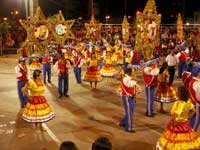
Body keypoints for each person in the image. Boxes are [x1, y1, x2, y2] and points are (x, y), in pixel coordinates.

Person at [156, 85, 200, 150]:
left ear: (180, 94)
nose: (176, 92)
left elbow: (174, 115)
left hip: (177, 124)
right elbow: (193, 110)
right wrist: (186, 117)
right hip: (185, 124)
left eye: (177, 91)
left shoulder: (178, 103)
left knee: (174, 140)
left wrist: (173, 123)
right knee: (186, 139)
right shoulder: (188, 101)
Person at [119, 67, 137, 132]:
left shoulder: (127, 78)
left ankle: (123, 122)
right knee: (129, 113)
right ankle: (128, 128)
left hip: (130, 97)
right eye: (132, 71)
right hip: (127, 97)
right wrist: (134, 77)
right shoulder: (126, 79)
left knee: (130, 112)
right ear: (129, 72)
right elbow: (132, 84)